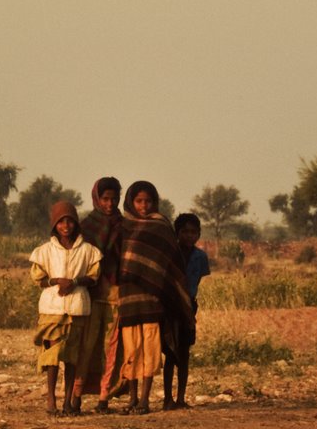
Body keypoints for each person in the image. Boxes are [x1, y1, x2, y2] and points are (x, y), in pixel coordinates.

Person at [117, 181, 194, 415]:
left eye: (148, 201)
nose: (143, 205)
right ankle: (131, 398)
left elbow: (170, 264)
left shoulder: (161, 226)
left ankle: (144, 400)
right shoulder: (123, 225)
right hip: (128, 297)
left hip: (152, 299)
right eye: (139, 201)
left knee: (150, 350)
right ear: (131, 201)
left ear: (155, 201)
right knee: (131, 350)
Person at [28, 200, 102, 416]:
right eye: (61, 222)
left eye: (69, 221)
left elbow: (94, 277)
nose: (66, 226)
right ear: (55, 225)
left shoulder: (88, 251)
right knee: (52, 356)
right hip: (52, 309)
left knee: (72, 357)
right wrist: (57, 281)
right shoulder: (45, 251)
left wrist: (75, 282)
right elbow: (39, 278)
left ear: (76, 224)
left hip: (77, 307)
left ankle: (68, 401)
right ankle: (51, 400)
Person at [70, 177, 125, 414]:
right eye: (105, 198)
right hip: (90, 295)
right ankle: (76, 396)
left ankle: (104, 397)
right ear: (97, 198)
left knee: (111, 347)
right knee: (87, 346)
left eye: (114, 199)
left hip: (116, 293)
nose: (110, 203)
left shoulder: (125, 225)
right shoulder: (86, 227)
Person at [163, 212, 211, 410]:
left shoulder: (200, 257)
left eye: (193, 232)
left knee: (184, 353)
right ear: (177, 233)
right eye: (185, 232)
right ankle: (167, 398)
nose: (189, 236)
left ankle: (181, 397)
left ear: (198, 234)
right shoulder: (171, 253)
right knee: (170, 353)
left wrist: (188, 302)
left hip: (189, 306)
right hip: (171, 306)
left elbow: (197, 281)